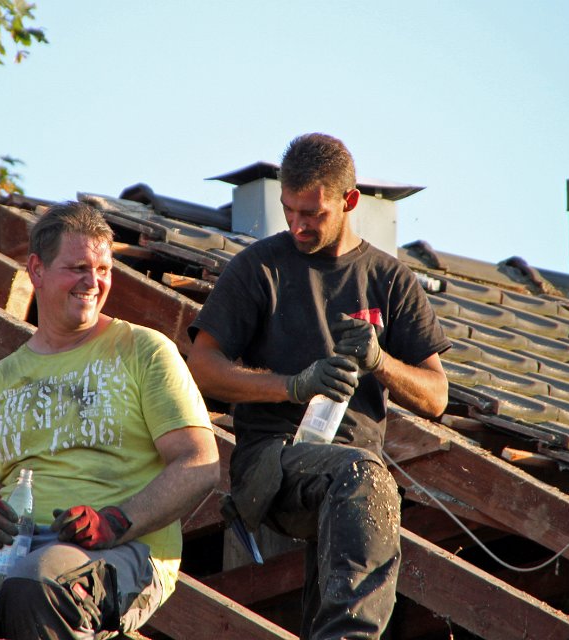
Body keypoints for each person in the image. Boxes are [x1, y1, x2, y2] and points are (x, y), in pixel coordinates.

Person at [186, 133, 450, 639]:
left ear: (350, 201)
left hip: (351, 476)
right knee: (365, 477)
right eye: (289, 210)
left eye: (312, 213)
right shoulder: (260, 267)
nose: (297, 225)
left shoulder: (391, 280)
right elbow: (202, 366)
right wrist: (293, 386)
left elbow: (436, 397)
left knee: (364, 484)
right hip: (273, 463)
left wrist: (380, 361)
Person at [0, 201, 220, 640]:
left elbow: (200, 463)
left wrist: (115, 521)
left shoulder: (144, 351)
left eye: (103, 269)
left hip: (125, 550)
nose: (93, 282)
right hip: (10, 553)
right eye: (78, 267)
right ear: (37, 270)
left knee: (37, 583)